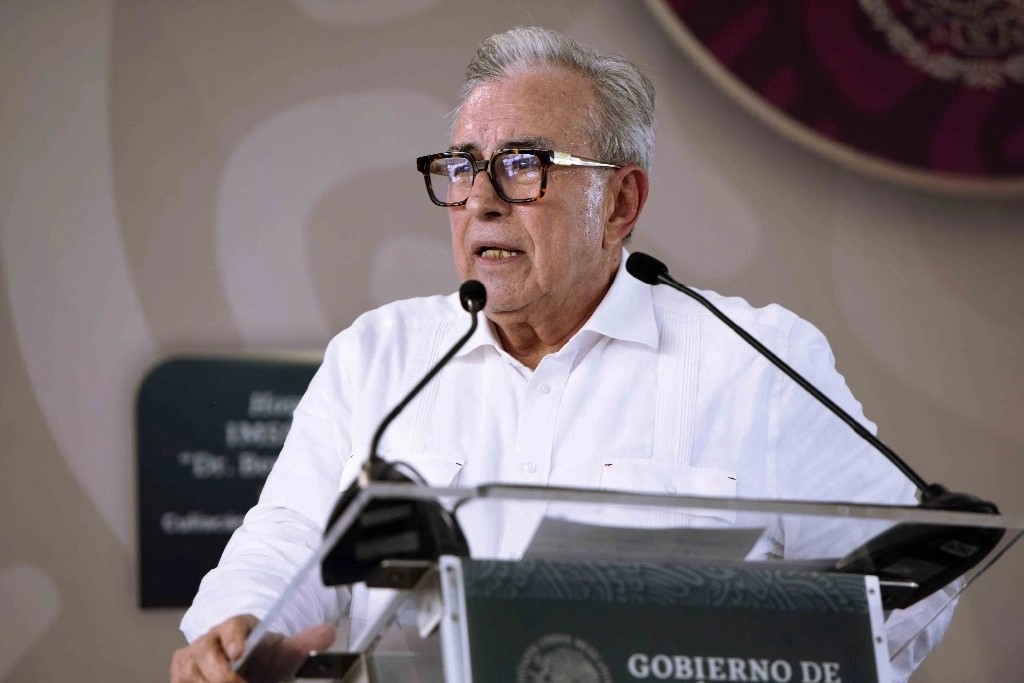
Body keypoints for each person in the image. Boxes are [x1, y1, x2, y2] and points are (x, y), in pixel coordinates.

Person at [173, 27, 952, 683]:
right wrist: (235, 632)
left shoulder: (758, 364)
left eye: (521, 164)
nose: (480, 198)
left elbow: (913, 590)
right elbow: (283, 542)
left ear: (619, 203)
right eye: (461, 167)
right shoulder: (378, 358)